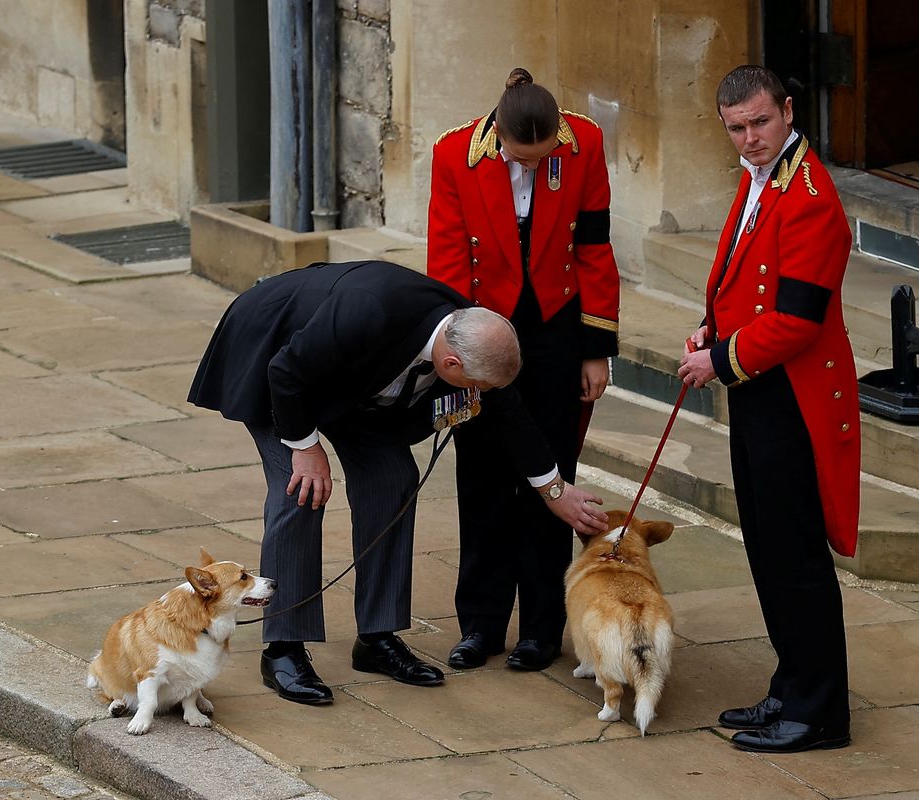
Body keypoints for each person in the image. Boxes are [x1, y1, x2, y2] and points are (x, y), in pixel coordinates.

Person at [188, 259, 608, 705]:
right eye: (475, 385)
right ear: (450, 362)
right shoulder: (367, 311)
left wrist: (554, 490)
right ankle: (283, 649)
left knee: (393, 475)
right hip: (273, 358)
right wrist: (307, 449)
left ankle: (376, 637)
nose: (480, 393)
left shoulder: (471, 333)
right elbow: (287, 372)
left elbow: (509, 413)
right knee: (301, 491)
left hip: (350, 381)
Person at [677, 65, 861, 753]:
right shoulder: (765, 180)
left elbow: (798, 320)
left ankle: (819, 714)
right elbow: (740, 280)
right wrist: (710, 328)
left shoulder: (809, 195)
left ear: (787, 111)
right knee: (766, 547)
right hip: (761, 389)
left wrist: (717, 360)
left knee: (796, 558)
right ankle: (791, 687)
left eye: (760, 123)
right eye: (736, 129)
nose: (750, 139)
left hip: (794, 398)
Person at [427, 67, 619, 672]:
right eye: (522, 160)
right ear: (501, 136)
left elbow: (594, 245)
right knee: (482, 479)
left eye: (542, 161)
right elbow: (448, 257)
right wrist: (461, 356)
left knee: (551, 476)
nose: (533, 169)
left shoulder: (583, 141)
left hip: (556, 330)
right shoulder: (454, 153)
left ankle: (541, 629)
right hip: (484, 326)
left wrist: (596, 347)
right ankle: (479, 626)